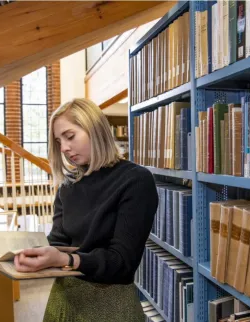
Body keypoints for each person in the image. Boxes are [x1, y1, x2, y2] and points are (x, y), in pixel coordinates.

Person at [13, 98, 159, 321]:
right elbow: (58, 242)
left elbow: (122, 262)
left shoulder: (136, 180)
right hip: (62, 299)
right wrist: (36, 255)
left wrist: (66, 260)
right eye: (58, 141)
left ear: (95, 129)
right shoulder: (68, 186)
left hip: (109, 304)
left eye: (70, 136)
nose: (64, 148)